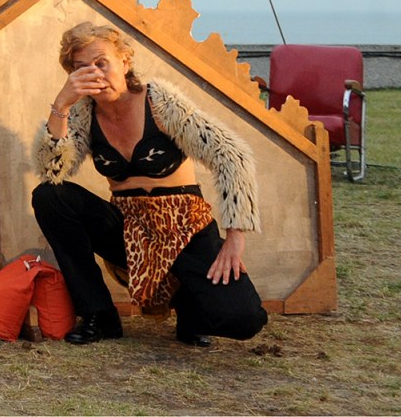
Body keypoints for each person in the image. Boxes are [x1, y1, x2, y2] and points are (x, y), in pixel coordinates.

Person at [31, 21, 268, 346]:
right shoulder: (82, 114)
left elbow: (232, 156)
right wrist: (61, 105)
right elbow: (51, 169)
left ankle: (189, 308)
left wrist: (235, 237)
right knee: (50, 196)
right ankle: (99, 315)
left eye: (102, 62)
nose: (94, 73)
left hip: (185, 228)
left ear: (124, 61)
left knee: (244, 319)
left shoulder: (160, 102)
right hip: (131, 231)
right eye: (80, 67)